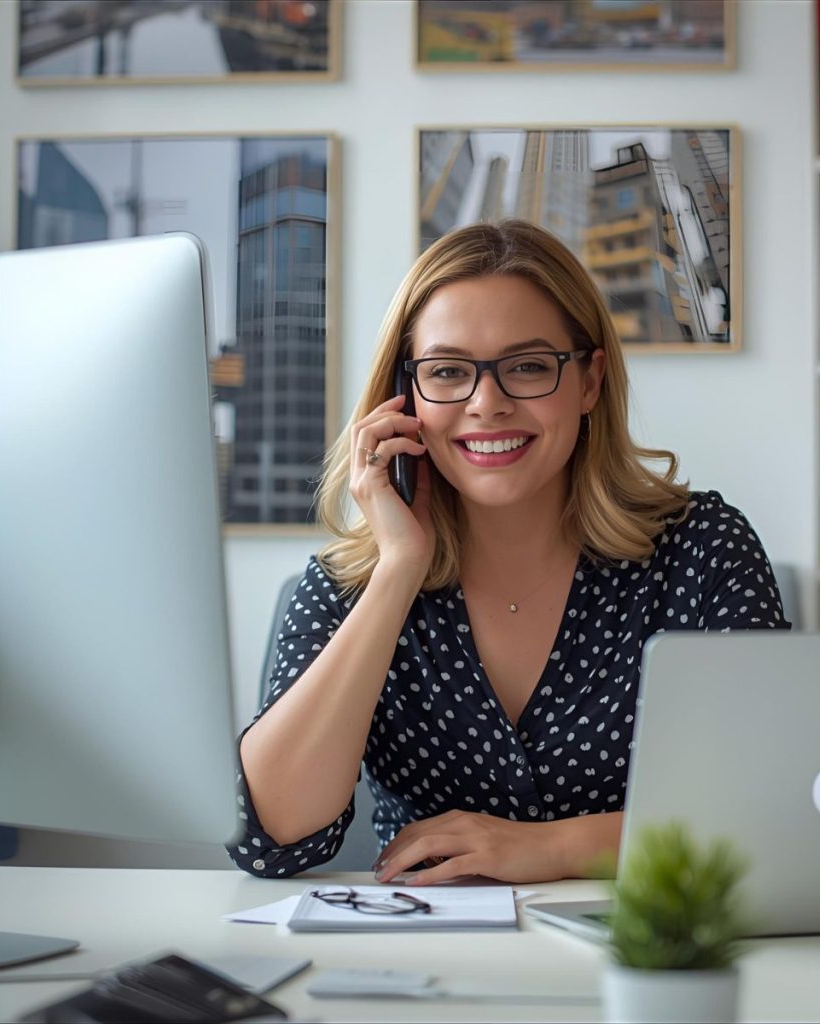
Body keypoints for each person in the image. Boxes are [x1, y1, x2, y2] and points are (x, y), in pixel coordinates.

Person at [228, 220, 789, 883]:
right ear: (404, 397)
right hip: (427, 938)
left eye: (527, 367)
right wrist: (399, 570)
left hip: (647, 933)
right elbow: (272, 839)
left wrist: (552, 848)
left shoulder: (705, 550)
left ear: (589, 382)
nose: (486, 403)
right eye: (447, 371)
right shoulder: (344, 586)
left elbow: (774, 809)